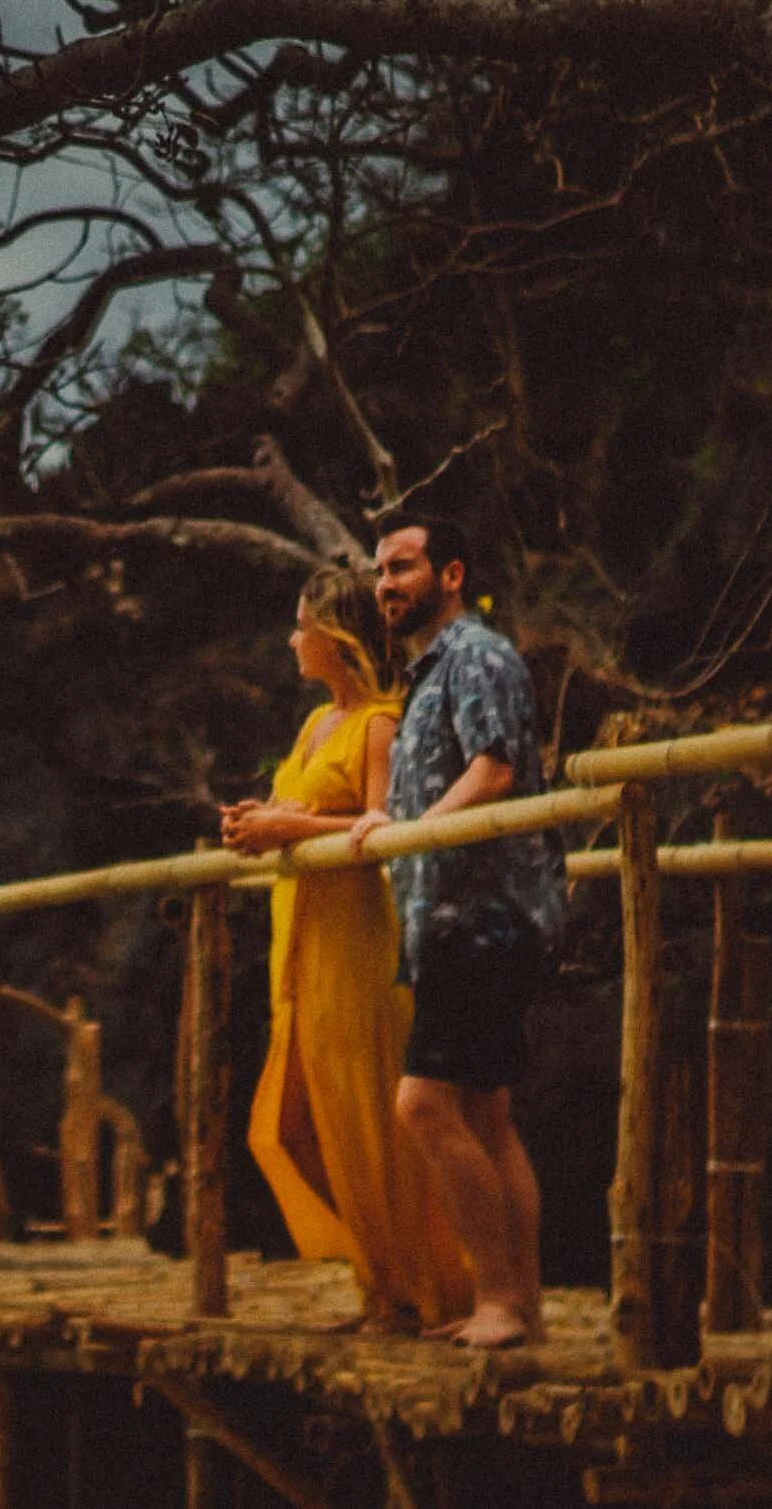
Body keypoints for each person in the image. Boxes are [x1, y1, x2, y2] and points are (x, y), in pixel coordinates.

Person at [220, 566, 472, 1331]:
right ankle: (377, 1284)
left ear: (333, 639)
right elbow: (299, 809)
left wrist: (284, 829)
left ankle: (417, 1292)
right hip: (300, 944)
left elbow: (381, 824)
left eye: (301, 627)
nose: (291, 640)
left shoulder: (380, 724)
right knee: (305, 1119)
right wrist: (256, 820)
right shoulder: (314, 725)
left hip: (358, 943)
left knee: (369, 1117)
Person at [348, 514, 566, 1351]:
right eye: (380, 571)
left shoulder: (477, 655)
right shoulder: (429, 671)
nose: (386, 584)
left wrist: (416, 832)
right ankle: (521, 1305)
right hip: (453, 917)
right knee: (483, 1113)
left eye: (402, 567)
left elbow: (496, 765)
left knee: (424, 1105)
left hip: (484, 915)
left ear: (450, 574)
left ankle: (503, 1301)